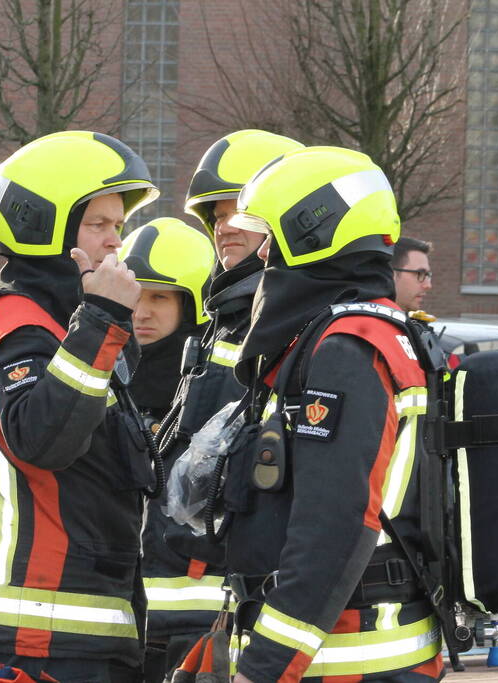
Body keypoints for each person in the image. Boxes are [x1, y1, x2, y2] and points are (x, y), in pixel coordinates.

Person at [0, 131, 160, 683]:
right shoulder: (20, 326)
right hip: (30, 635)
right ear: (48, 226)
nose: (116, 241)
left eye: (119, 225)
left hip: (74, 631)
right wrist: (103, 322)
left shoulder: (68, 320)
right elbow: (44, 441)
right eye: (98, 225)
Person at [223, 146, 443, 681]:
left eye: (272, 241)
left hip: (347, 658)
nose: (264, 259)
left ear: (313, 233)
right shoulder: (366, 332)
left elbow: (335, 527)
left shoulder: (347, 348)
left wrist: (265, 667)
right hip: (350, 646)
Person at [145, 130, 304, 678]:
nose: (224, 225)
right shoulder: (226, 316)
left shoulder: (285, 319)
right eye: (215, 214)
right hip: (194, 586)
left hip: (229, 589)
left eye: (241, 210)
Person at [117, 218, 219, 682]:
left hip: (194, 627)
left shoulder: (213, 389)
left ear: (192, 304)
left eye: (159, 297)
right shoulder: (103, 380)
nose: (142, 311)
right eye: (135, 296)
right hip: (119, 622)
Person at [391, 237, 433, 313]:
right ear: (391, 274)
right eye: (419, 274)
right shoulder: (369, 322)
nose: (428, 285)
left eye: (427, 275)